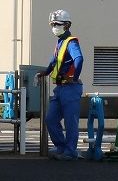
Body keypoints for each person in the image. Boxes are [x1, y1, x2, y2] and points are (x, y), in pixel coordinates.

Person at [36, 9, 84, 161]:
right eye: (52, 24)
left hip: (70, 88)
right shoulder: (60, 43)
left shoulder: (71, 42)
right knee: (50, 119)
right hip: (60, 88)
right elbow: (53, 62)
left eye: (57, 24)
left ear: (67, 25)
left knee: (71, 122)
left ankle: (70, 152)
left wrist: (74, 77)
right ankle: (61, 147)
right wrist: (45, 72)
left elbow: (79, 59)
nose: (54, 27)